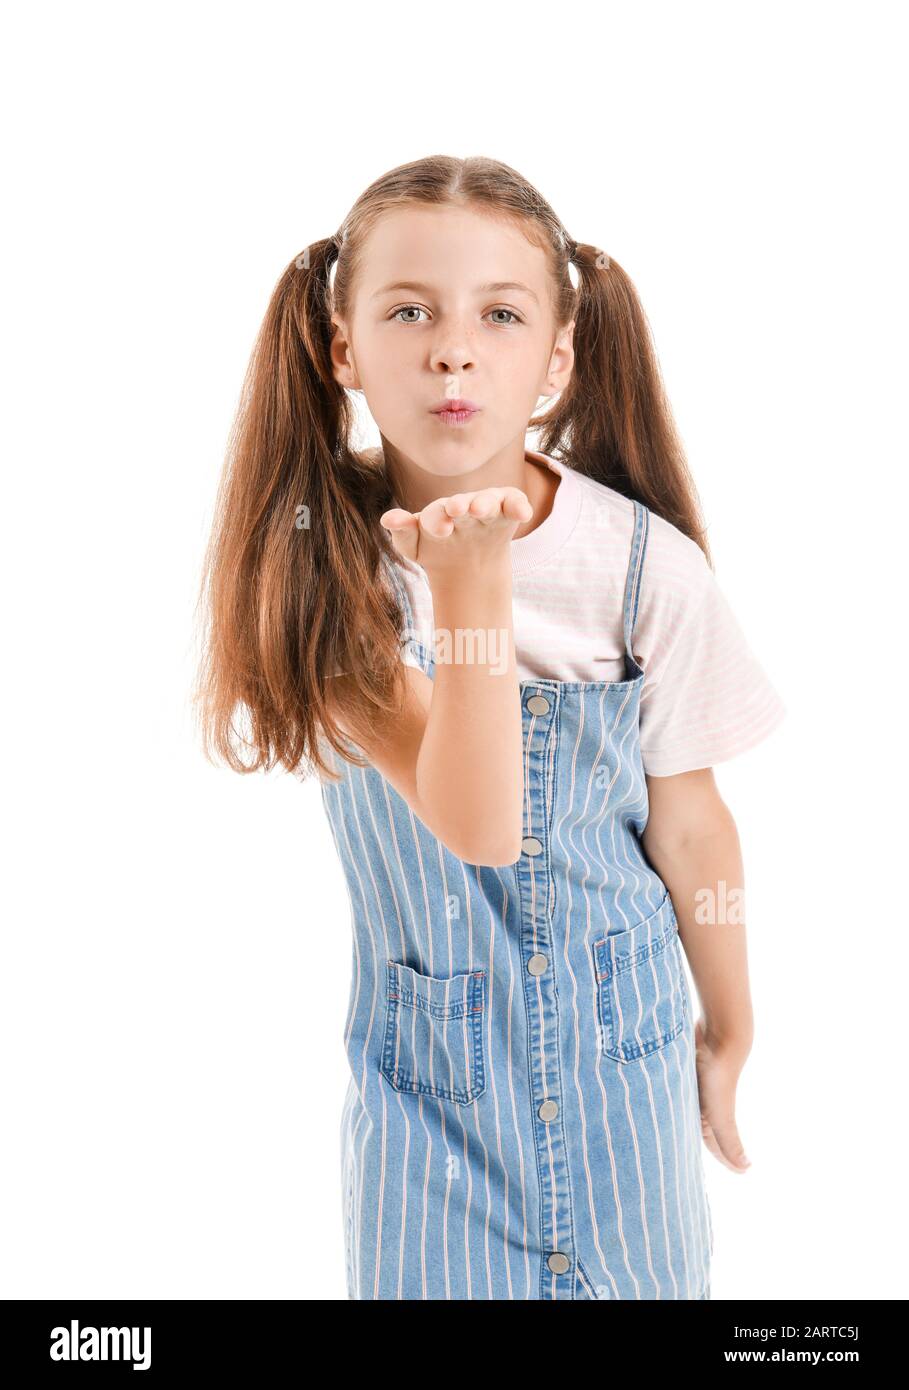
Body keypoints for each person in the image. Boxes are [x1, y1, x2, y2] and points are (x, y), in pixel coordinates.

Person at [194, 154, 786, 1301]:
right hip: (432, 1098)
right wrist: (470, 589)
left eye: (499, 315)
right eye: (407, 310)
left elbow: (695, 826)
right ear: (343, 349)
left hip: (629, 1068)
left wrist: (732, 1024)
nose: (453, 349)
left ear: (556, 358)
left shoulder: (639, 565)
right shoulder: (322, 570)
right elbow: (477, 822)